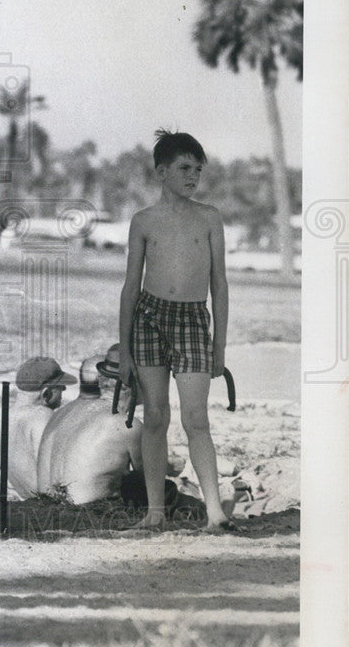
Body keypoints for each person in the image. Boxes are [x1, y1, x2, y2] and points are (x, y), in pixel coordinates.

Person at [118, 129, 232, 531]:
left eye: (197, 169)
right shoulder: (143, 221)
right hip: (149, 319)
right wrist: (126, 350)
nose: (193, 176)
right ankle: (154, 512)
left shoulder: (209, 217)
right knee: (154, 416)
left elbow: (219, 285)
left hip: (192, 321)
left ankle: (215, 512)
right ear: (161, 172)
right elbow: (131, 286)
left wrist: (219, 347)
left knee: (196, 419)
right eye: (185, 168)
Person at [36, 344, 146, 505]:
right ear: (127, 385)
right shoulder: (127, 425)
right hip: (89, 516)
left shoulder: (60, 414)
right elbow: (150, 481)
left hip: (46, 509)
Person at [0, 356, 75, 499]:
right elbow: (51, 477)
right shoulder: (43, 415)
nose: (64, 390)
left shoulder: (1, 414)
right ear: (46, 393)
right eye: (61, 387)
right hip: (49, 507)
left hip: (29, 503)